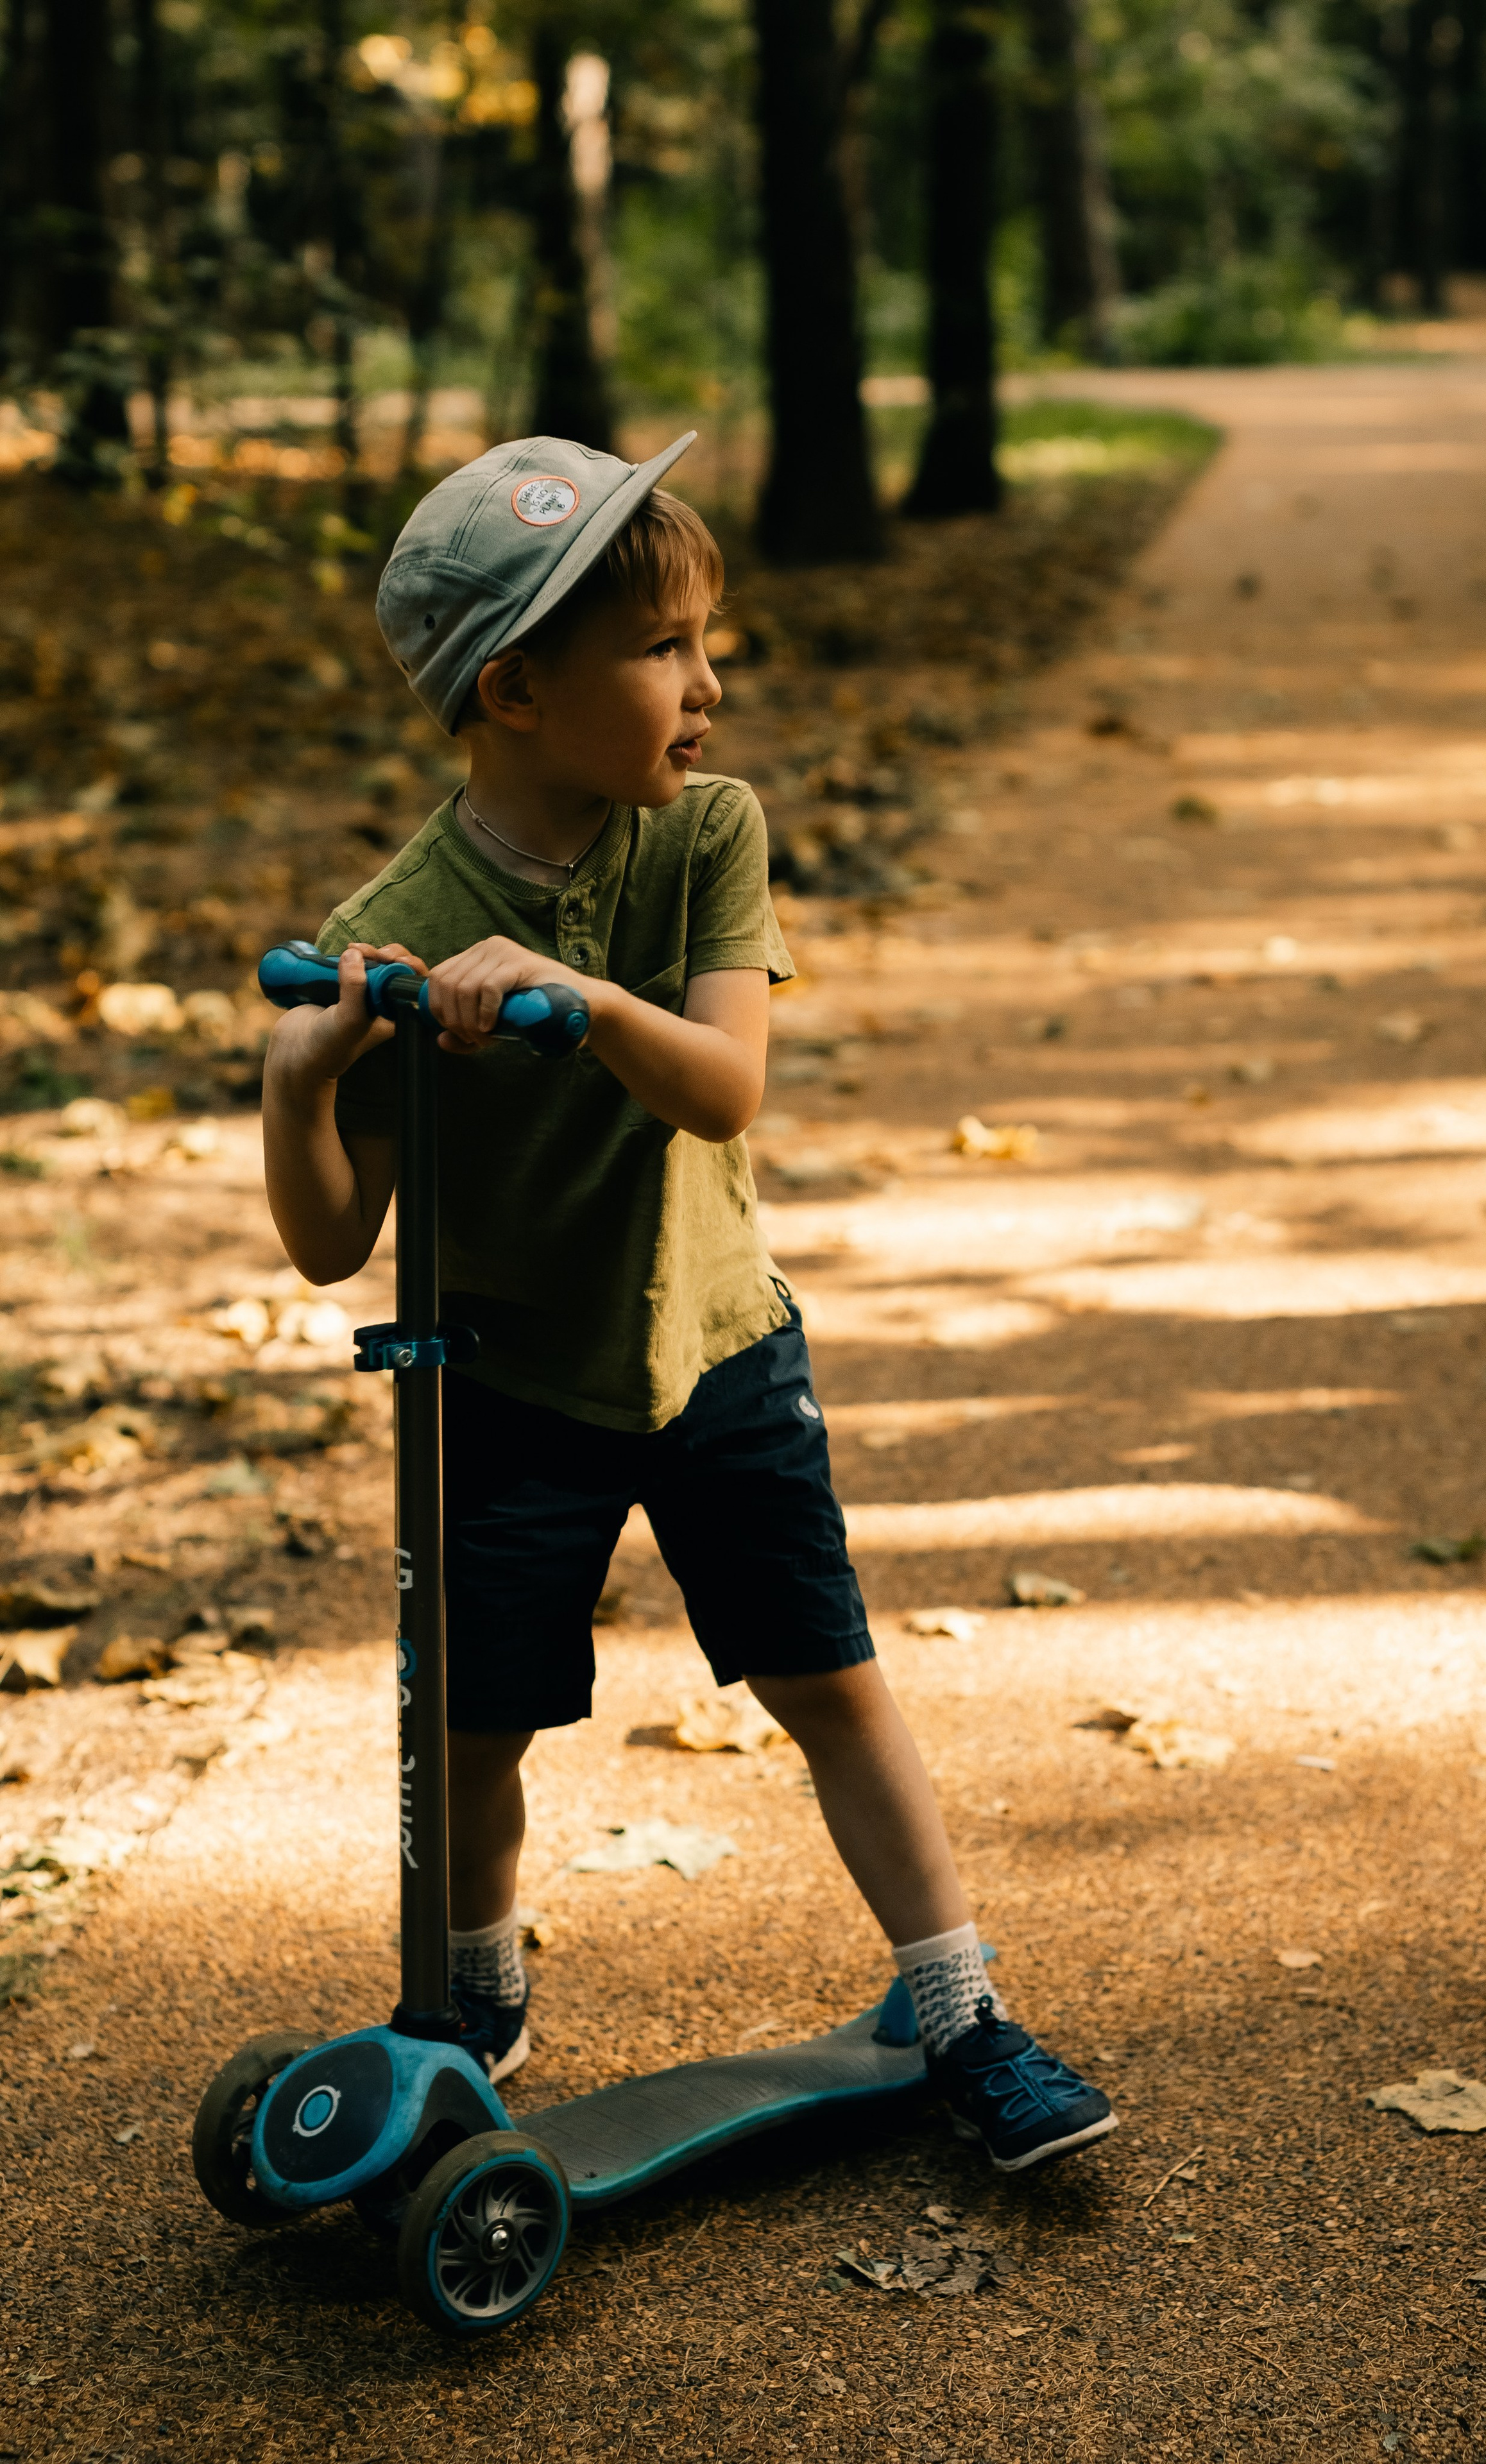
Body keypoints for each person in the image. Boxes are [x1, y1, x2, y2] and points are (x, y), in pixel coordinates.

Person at [259, 430, 1116, 2174]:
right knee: (472, 1725)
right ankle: (466, 2005)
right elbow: (334, 1244)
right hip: (504, 1386)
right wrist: (296, 1084)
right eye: (666, 651)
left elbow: (725, 1085)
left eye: (706, 642)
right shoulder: (397, 926)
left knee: (827, 1678)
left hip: (719, 1349)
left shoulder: (710, 830)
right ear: (516, 685)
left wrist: (574, 992)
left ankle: (959, 2006)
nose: (708, 685)